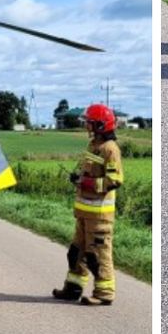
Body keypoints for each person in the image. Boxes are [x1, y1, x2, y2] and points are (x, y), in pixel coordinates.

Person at [52, 103, 123, 306]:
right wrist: (78, 178)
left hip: (99, 216)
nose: (87, 127)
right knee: (76, 253)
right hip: (83, 214)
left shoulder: (110, 149)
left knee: (98, 256)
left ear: (101, 125)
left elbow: (114, 180)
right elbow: (88, 171)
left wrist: (88, 183)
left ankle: (104, 293)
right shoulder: (93, 146)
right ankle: (73, 288)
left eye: (90, 123)